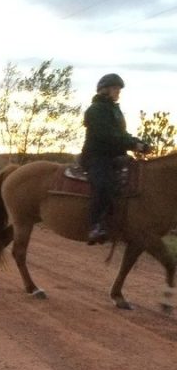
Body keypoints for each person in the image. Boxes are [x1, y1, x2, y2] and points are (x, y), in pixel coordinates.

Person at [80, 73, 149, 245]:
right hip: (97, 156)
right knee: (103, 184)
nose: (118, 92)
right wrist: (133, 145)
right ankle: (95, 225)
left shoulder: (115, 110)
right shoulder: (95, 110)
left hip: (114, 157)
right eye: (115, 89)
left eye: (118, 89)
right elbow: (106, 135)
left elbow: (121, 134)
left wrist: (138, 142)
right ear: (104, 90)